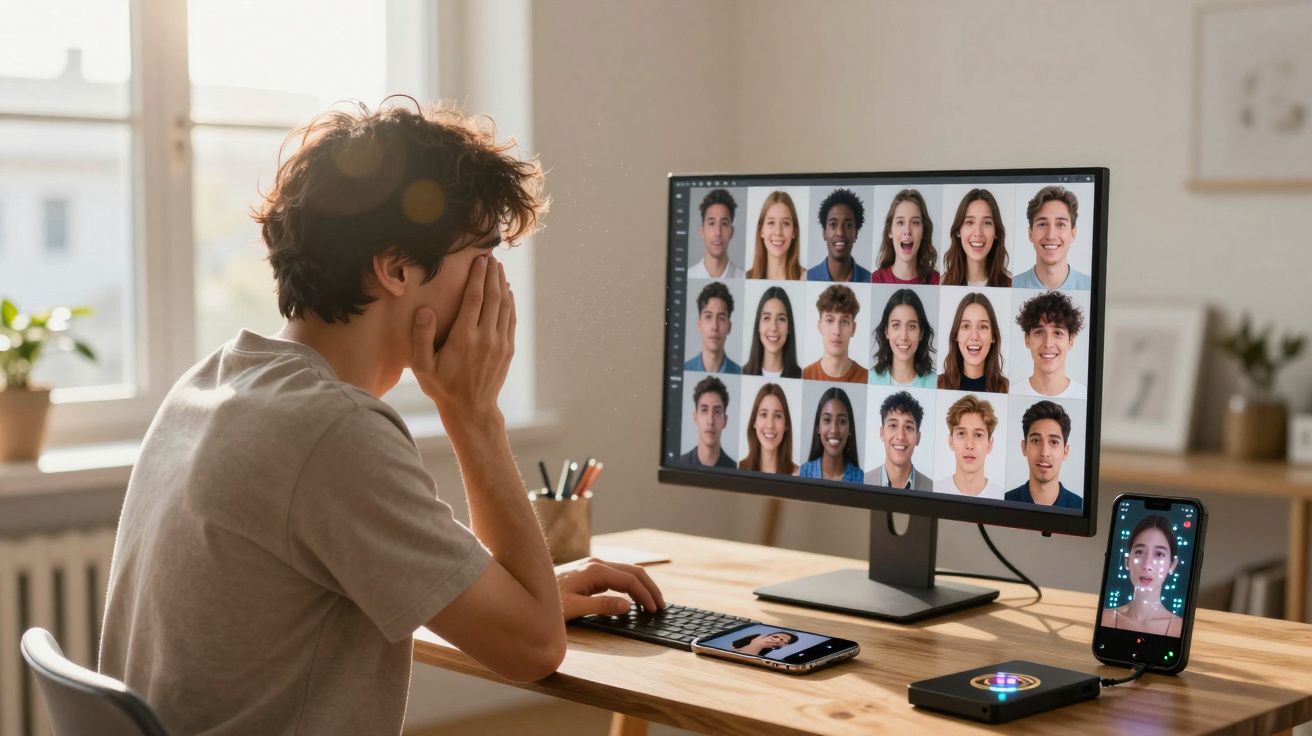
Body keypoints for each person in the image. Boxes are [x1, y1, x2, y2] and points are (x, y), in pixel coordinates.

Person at [97, 102, 665, 735]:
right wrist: (473, 414)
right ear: (396, 268)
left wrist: (520, 595)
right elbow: (532, 651)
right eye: (480, 252)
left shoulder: (212, 384)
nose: (495, 279)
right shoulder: (332, 431)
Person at [1099, 515, 1184, 636]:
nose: (1147, 565)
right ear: (1127, 561)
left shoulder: (1180, 629)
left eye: (1159, 554)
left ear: (1172, 565)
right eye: (1139, 552)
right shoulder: (1104, 618)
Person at [1005, 401, 1082, 509]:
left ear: (1066, 451)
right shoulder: (1006, 501)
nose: (1044, 453)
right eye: (1036, 441)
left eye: (1054, 442)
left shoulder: (1079, 506)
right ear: (1024, 447)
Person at [1012, 185, 1091, 290]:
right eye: (1042, 224)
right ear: (1030, 233)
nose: (1050, 235)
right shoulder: (1011, 285)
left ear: (1073, 233)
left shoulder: (1091, 287)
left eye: (1060, 224)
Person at [1014, 290, 1085, 398]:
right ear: (1027, 339)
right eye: (1039, 332)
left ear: (1071, 341)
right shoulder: (1013, 392)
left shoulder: (1084, 395)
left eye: (1057, 333)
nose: (1048, 343)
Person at [937, 292, 1008, 393]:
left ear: (993, 337)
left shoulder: (1007, 388)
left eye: (983, 327)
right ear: (956, 335)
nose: (974, 336)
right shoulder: (938, 385)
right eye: (966, 326)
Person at [936, 394, 1003, 499]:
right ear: (951, 441)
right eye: (961, 434)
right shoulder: (935, 491)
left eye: (978, 435)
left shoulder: (1001, 496)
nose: (969, 445)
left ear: (989, 444)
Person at [942, 188, 1011, 287]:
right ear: (958, 231)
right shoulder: (942, 283)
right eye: (969, 222)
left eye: (987, 223)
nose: (978, 233)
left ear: (996, 232)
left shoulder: (1010, 284)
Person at [870, 189, 940, 285]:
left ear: (924, 231)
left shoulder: (936, 281)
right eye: (900, 222)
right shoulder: (874, 280)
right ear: (890, 231)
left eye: (915, 222)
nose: (907, 231)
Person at [868, 288, 936, 387]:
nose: (904, 337)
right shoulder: (870, 379)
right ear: (887, 332)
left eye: (912, 326)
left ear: (921, 333)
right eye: (896, 325)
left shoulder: (936, 382)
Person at [867, 390, 932, 491]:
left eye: (908, 428)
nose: (901, 436)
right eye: (893, 425)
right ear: (882, 433)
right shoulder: (864, 481)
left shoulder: (931, 488)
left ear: (918, 438)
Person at [802, 285, 866, 383]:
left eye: (844, 321)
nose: (837, 331)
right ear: (819, 326)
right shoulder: (804, 376)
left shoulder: (866, 378)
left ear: (853, 329)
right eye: (829, 320)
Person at [798, 387, 863, 482]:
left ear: (850, 429)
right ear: (818, 427)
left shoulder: (861, 478)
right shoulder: (803, 473)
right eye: (827, 420)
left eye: (842, 421)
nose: (834, 430)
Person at [806, 188, 871, 282]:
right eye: (833, 225)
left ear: (856, 233)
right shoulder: (808, 278)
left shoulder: (869, 279)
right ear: (824, 233)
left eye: (848, 225)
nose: (840, 232)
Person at [742, 287, 802, 378]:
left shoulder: (802, 376)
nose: (774, 328)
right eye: (766, 318)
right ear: (758, 325)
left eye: (781, 319)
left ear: (789, 327)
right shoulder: (742, 373)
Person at [739, 383, 797, 475]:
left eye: (777, 416)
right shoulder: (738, 469)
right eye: (763, 415)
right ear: (754, 421)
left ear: (786, 425)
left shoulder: (799, 474)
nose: (770, 425)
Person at [679, 375, 736, 469]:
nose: (710, 421)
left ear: (725, 421)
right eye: (704, 410)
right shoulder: (680, 464)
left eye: (717, 412)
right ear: (695, 417)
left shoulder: (734, 468)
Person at [684, 281, 741, 374]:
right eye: (708, 317)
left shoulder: (739, 372)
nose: (714, 326)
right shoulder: (685, 370)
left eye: (721, 318)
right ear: (699, 325)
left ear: (729, 327)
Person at [687, 188, 745, 279]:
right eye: (711, 223)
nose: (718, 232)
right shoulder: (689, 275)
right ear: (702, 231)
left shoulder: (743, 276)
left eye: (724, 224)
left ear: (732, 232)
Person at [745, 190, 803, 280]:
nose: (778, 232)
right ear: (761, 231)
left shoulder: (805, 277)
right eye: (771, 222)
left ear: (794, 232)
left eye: (786, 223)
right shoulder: (746, 277)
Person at [732, 630, 799, 656]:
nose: (777, 640)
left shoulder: (765, 653)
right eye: (775, 636)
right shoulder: (756, 637)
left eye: (783, 641)